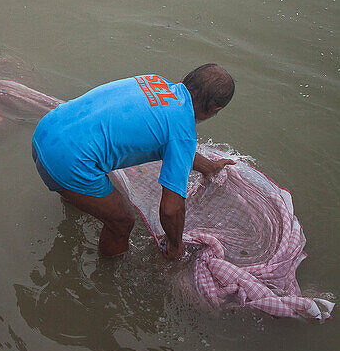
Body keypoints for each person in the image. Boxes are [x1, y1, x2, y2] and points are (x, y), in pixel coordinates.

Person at [31, 64, 235, 260]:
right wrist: (175, 245)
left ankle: (73, 198)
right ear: (214, 109)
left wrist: (209, 167)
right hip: (67, 161)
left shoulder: (154, 80)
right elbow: (171, 209)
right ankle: (106, 277)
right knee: (123, 221)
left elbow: (176, 145)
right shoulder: (182, 131)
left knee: (86, 172)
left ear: (189, 79)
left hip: (46, 131)